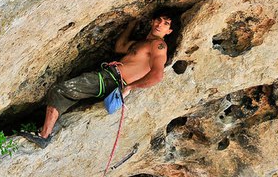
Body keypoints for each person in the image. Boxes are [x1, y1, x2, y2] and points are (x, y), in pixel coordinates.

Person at [20, 9, 176, 148]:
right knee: (69, 96)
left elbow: (157, 75)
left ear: (169, 31)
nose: (160, 24)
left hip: (112, 80)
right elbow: (120, 47)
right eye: (158, 20)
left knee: (60, 90)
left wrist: (130, 87)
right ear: (152, 21)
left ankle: (44, 136)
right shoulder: (143, 43)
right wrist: (131, 26)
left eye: (166, 23)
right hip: (108, 77)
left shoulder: (158, 45)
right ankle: (44, 131)